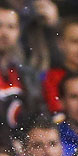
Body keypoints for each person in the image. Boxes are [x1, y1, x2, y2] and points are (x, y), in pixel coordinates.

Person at [0, 1, 45, 143]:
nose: (4, 33)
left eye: (11, 27)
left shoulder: (27, 76)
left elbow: (38, 117)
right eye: (0, 25)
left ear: (18, 31)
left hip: (21, 149)